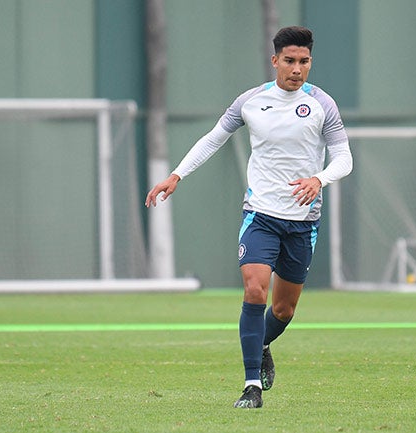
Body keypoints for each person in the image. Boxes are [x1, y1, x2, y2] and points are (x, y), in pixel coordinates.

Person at [145, 26, 353, 409]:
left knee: (283, 309)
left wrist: (318, 178)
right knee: (255, 289)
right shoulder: (251, 101)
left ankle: (264, 342)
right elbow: (213, 138)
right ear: (274, 60)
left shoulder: (323, 104)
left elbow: (344, 158)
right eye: (289, 61)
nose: (296, 69)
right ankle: (251, 386)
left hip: (302, 221)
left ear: (310, 63)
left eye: (303, 61)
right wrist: (176, 175)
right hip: (260, 214)